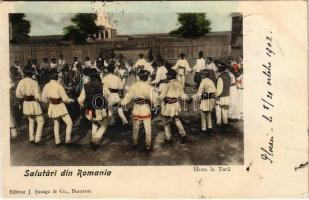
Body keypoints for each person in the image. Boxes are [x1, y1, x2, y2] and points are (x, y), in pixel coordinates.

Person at [121, 70, 159, 152]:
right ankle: (148, 145)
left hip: (137, 108)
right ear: (146, 78)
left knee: (135, 127)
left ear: (139, 77)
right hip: (145, 108)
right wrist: (157, 105)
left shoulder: (134, 86)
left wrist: (122, 103)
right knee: (148, 127)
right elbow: (154, 99)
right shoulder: (149, 87)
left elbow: (128, 97)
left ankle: (135, 143)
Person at [78, 69, 109, 151]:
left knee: (94, 123)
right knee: (104, 125)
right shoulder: (102, 85)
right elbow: (107, 97)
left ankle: (94, 141)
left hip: (89, 110)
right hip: (100, 109)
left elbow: (80, 100)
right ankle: (95, 140)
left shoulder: (85, 86)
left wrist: (85, 105)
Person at [42, 69, 74, 146]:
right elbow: (66, 99)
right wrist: (72, 100)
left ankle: (57, 141)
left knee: (56, 123)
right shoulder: (59, 86)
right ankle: (68, 140)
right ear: (56, 77)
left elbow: (44, 99)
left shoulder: (46, 85)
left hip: (52, 106)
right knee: (69, 123)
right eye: (58, 76)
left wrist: (50, 100)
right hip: (60, 106)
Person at [15, 65, 45, 144]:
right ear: (32, 73)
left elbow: (18, 94)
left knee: (31, 120)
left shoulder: (21, 82)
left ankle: (31, 138)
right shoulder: (34, 82)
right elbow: (38, 96)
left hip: (26, 103)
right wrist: (43, 101)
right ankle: (37, 139)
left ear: (24, 73)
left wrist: (23, 97)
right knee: (41, 121)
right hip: (33, 103)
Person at [159, 69, 190, 144]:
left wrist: (156, 97)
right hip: (176, 104)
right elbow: (183, 95)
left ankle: (169, 138)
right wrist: (187, 99)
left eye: (167, 75)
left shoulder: (167, 85)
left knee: (166, 121)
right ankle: (183, 135)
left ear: (170, 76)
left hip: (169, 104)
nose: (166, 76)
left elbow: (162, 96)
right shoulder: (179, 84)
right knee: (176, 120)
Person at [192, 69, 216, 134]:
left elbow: (199, 92)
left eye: (202, 74)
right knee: (209, 113)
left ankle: (204, 129)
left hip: (205, 99)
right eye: (201, 74)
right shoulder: (211, 81)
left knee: (203, 114)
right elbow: (214, 91)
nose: (201, 75)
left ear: (205, 75)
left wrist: (192, 98)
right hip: (211, 99)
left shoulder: (203, 82)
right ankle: (210, 128)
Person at [215, 62, 231, 128]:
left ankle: (219, 122)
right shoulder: (228, 76)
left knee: (218, 109)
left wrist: (216, 95)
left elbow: (219, 89)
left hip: (221, 96)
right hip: (227, 95)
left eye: (219, 68)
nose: (218, 69)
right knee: (225, 109)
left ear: (221, 69)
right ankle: (225, 122)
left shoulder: (220, 77)